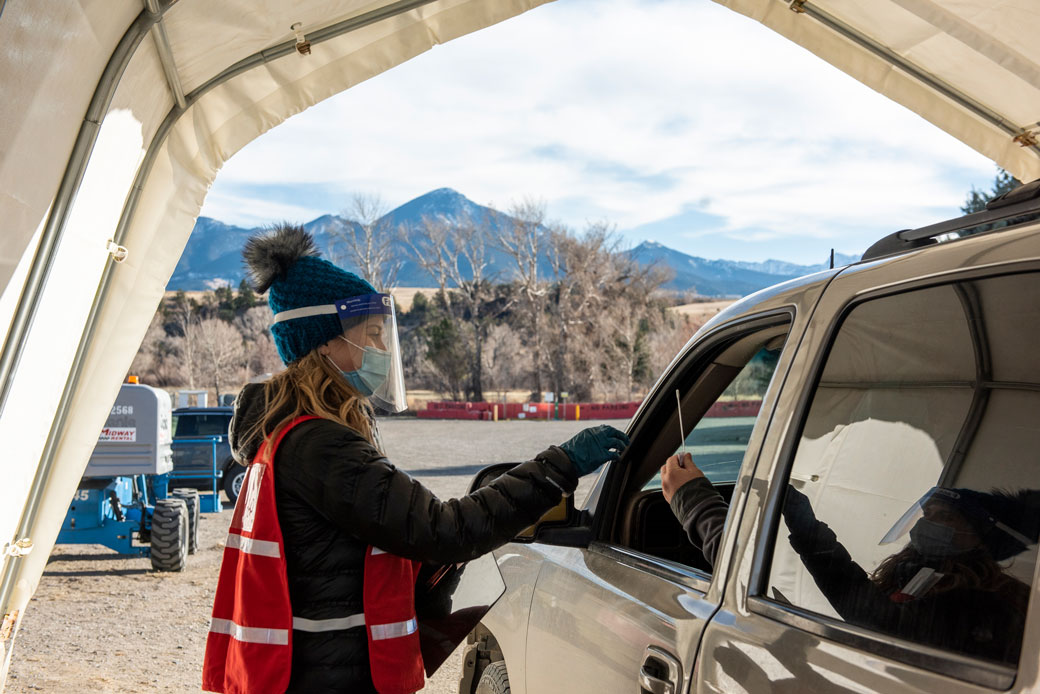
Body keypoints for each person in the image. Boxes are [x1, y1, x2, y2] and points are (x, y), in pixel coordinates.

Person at [202, 224, 629, 694]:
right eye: (372, 335)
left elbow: (346, 555)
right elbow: (445, 530)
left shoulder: (290, 438)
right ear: (325, 343)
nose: (383, 350)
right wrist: (559, 465)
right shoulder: (321, 447)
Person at [661, 453, 1039, 663]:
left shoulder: (988, 604)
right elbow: (863, 602)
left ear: (977, 536)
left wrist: (696, 506)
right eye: (927, 514)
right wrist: (804, 524)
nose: (928, 524)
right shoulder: (921, 573)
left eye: (945, 517)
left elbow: (873, 616)